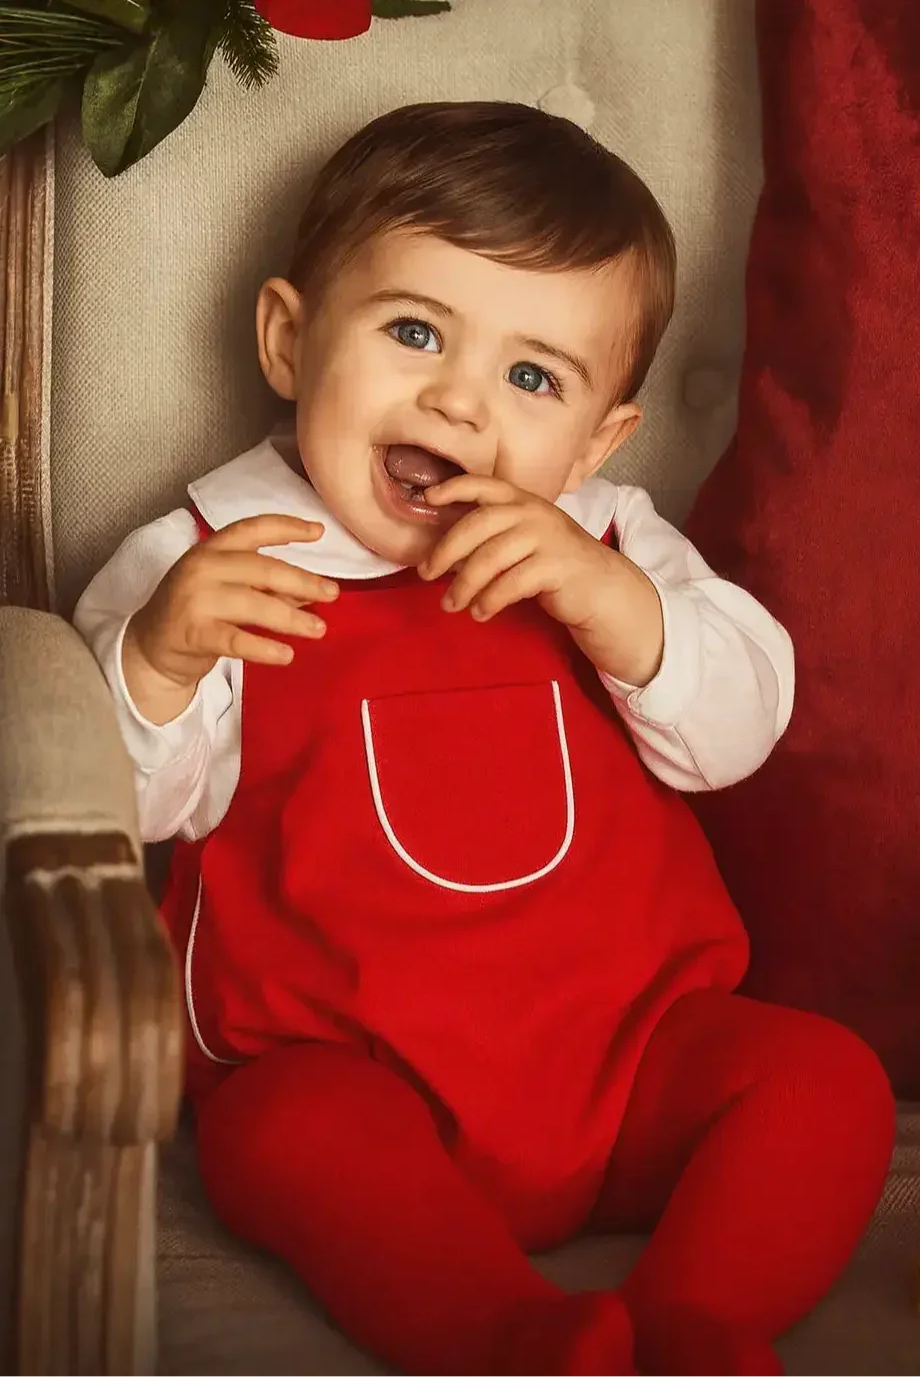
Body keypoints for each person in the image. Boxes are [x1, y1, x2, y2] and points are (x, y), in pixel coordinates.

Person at [74, 102, 895, 1377]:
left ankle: (693, 1325)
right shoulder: (209, 557)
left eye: (531, 378)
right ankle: (505, 1338)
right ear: (291, 341)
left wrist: (616, 610)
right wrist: (157, 663)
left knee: (823, 1084)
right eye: (413, 332)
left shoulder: (611, 543)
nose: (457, 404)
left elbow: (737, 729)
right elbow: (115, 804)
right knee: (280, 1135)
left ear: (596, 439)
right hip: (354, 1076)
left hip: (631, 1068)